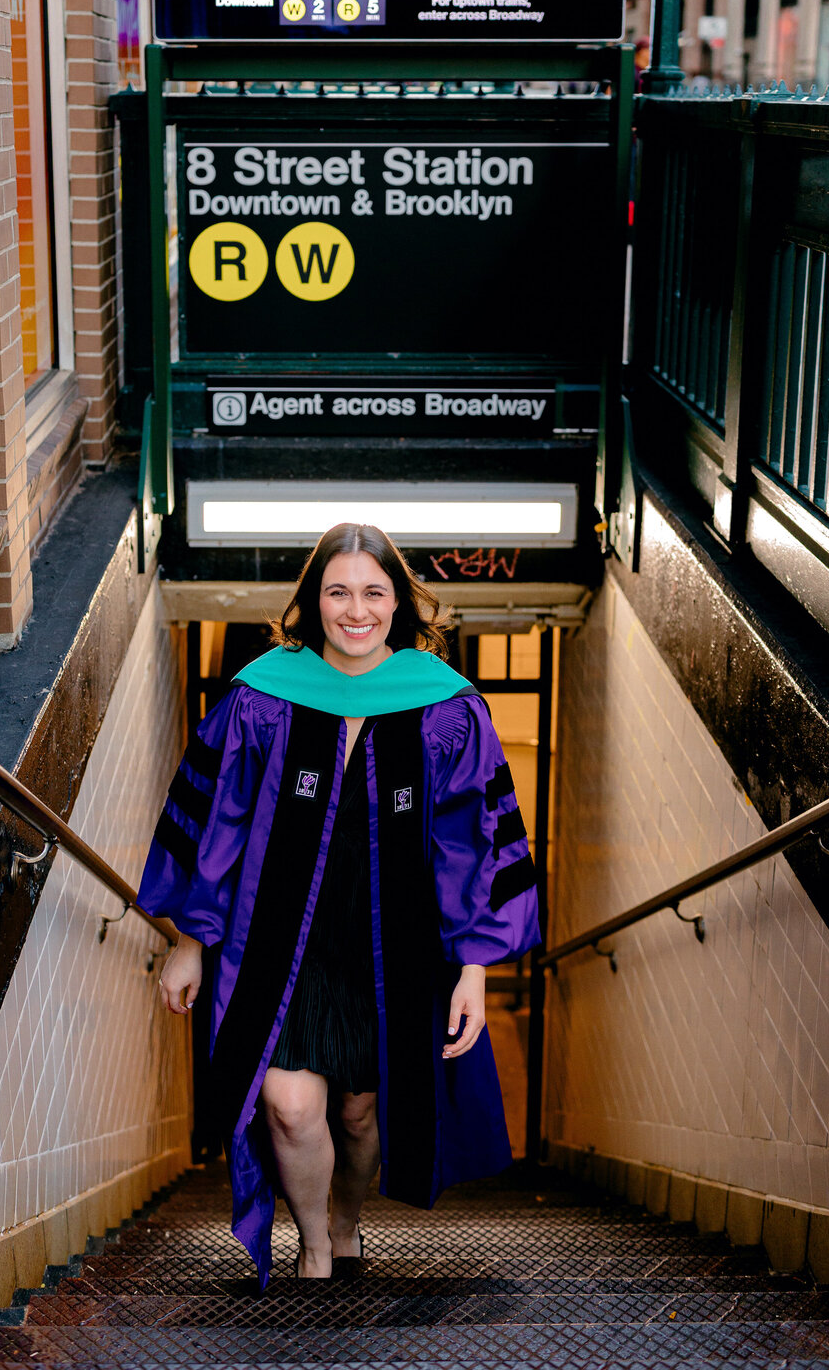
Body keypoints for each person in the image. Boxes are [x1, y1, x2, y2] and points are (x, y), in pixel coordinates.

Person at [139, 522, 541, 1285]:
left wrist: (474, 968)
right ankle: (315, 1248)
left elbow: (475, 844)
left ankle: (348, 1224)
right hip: (279, 944)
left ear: (398, 602)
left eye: (373, 592)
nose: (355, 610)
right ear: (312, 601)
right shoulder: (261, 699)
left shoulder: (445, 710)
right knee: (288, 1105)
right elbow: (211, 821)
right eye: (338, 592)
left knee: (359, 1114)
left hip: (392, 948)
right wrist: (191, 940)